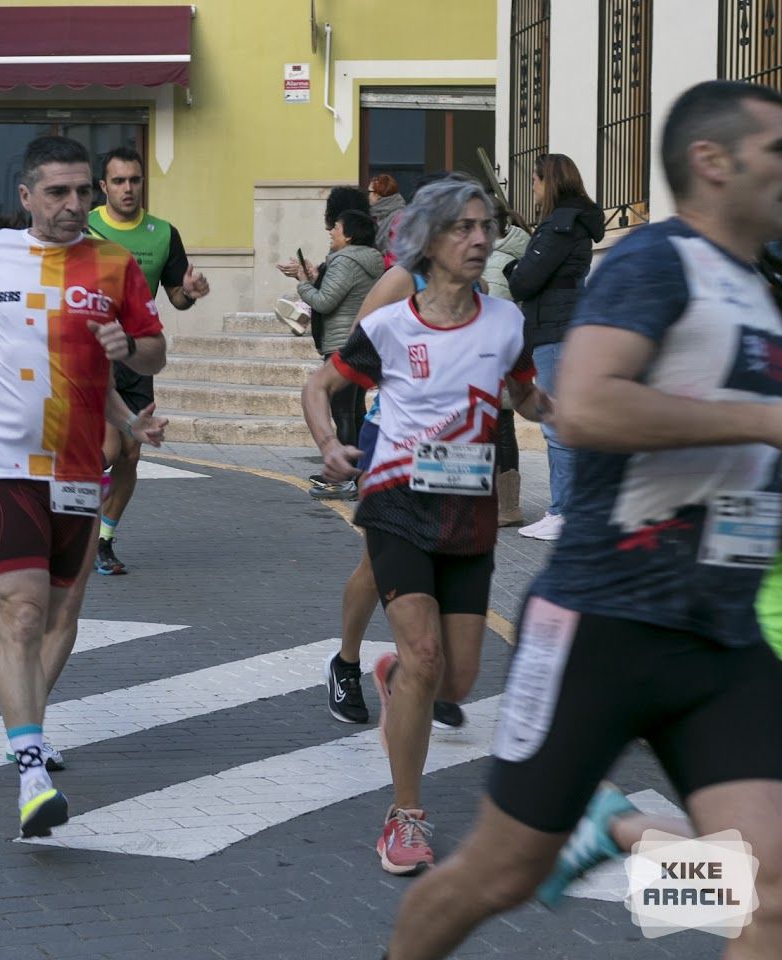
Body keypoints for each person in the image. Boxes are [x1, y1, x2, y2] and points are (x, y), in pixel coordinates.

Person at [384, 80, 782, 960]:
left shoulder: (759, 289)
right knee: (498, 876)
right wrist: (762, 420)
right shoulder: (655, 264)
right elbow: (590, 408)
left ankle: (621, 838)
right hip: (604, 624)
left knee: (771, 893)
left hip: (720, 635)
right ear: (714, 163)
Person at [302, 176, 550, 877]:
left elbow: (527, 398)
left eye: (486, 227)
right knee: (425, 656)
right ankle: (403, 817)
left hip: (469, 515)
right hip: (396, 503)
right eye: (463, 228)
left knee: (457, 681)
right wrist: (328, 445)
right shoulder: (389, 325)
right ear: (429, 241)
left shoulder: (506, 324)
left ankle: (400, 675)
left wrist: (570, 413)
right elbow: (321, 385)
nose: (479, 239)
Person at [0, 134, 167, 838]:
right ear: (26, 195)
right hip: (4, 464)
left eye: (82, 191)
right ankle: (29, 768)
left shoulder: (114, 264)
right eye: (57, 192)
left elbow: (154, 347)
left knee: (58, 617)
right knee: (25, 613)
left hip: (80, 467)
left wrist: (131, 356)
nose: (73, 204)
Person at [84, 145, 210, 576]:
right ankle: (63, 510)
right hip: (91, 352)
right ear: (103, 186)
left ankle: (103, 540)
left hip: (136, 355)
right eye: (118, 181)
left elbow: (175, 294)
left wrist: (189, 292)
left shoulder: (162, 233)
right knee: (106, 447)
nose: (128, 189)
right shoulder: (84, 228)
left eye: (135, 180)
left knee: (131, 456)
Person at [508, 154, 604, 542]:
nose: (532, 188)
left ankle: (563, 511)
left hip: (555, 329)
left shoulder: (558, 227)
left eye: (534, 180)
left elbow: (524, 282)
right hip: (567, 325)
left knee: (556, 423)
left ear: (549, 182)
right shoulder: (573, 224)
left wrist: (514, 269)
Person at [279, 208, 384, 499]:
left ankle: (345, 478)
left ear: (348, 234)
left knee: (343, 413)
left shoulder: (345, 261)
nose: (330, 232)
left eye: (335, 228)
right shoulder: (369, 259)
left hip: (342, 344)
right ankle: (363, 473)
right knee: (355, 411)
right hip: (360, 343)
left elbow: (325, 302)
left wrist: (301, 282)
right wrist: (314, 276)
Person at [482, 208, 534, 527]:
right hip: (506, 351)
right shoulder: (523, 252)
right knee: (502, 427)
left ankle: (506, 506)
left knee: (497, 427)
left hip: (491, 354)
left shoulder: (495, 261)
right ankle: (506, 504)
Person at [369, 174, 408, 266]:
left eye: (369, 192)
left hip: (392, 273)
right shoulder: (376, 215)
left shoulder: (399, 218)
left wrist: (371, 263)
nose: (368, 196)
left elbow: (397, 256)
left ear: (378, 194)